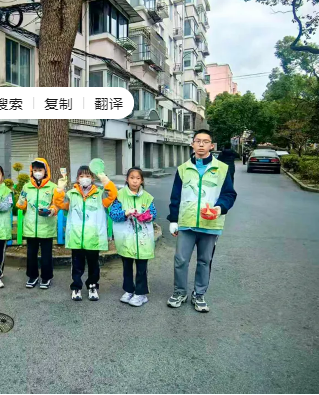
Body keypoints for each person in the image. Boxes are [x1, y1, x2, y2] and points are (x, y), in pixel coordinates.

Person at [167, 129, 237, 313]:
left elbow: (229, 194)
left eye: (205, 141)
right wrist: (173, 219)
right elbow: (175, 196)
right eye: (198, 141)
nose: (201, 144)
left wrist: (219, 208)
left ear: (211, 146)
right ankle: (179, 292)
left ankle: (199, 295)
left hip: (211, 223)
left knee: (205, 261)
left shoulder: (222, 168)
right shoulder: (183, 169)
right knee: (181, 260)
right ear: (192, 144)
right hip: (187, 222)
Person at [54, 165, 117, 302]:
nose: (84, 179)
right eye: (81, 176)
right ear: (77, 179)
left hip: (93, 237)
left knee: (94, 264)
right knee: (77, 265)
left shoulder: (100, 194)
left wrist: (104, 179)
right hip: (76, 237)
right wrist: (59, 189)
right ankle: (76, 287)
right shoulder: (71, 194)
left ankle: (92, 286)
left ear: (93, 178)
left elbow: (112, 195)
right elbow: (59, 203)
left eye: (87, 176)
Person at [108, 167, 157, 307]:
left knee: (141, 267)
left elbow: (153, 213)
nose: (135, 181)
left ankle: (141, 293)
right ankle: (129, 290)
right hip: (126, 238)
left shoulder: (147, 197)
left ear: (142, 181)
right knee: (127, 266)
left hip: (143, 239)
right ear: (127, 179)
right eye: (132, 178)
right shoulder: (119, 196)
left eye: (138, 178)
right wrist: (125, 213)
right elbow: (113, 214)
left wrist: (147, 216)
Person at [16, 158, 58, 289]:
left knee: (46, 255)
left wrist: (51, 210)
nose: (37, 172)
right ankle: (32, 276)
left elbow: (56, 204)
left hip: (46, 226)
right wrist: (20, 202)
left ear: (46, 171)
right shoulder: (26, 186)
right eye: (35, 170)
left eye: (40, 170)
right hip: (30, 226)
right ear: (31, 171)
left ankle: (46, 277)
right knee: (31, 254)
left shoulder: (53, 187)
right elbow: (22, 204)